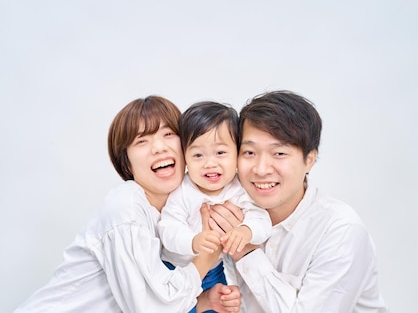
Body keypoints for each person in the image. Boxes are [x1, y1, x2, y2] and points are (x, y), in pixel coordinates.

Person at [13, 96, 241, 313]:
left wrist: (204, 300)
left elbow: (157, 293)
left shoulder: (179, 211)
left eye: (168, 134)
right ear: (127, 163)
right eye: (142, 140)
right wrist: (206, 258)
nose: (159, 147)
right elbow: (150, 309)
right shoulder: (126, 207)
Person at [208, 90, 389, 313]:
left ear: (309, 160)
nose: (261, 169)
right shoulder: (228, 209)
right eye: (249, 152)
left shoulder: (340, 231)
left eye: (279, 153)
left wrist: (246, 253)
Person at [158, 101, 272, 312]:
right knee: (172, 306)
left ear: (237, 153)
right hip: (174, 268)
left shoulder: (239, 189)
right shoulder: (182, 190)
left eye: (220, 153)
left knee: (224, 301)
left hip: (213, 270)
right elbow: (168, 228)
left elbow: (262, 220)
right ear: (185, 158)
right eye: (198, 155)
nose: (210, 163)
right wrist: (193, 241)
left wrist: (246, 231)